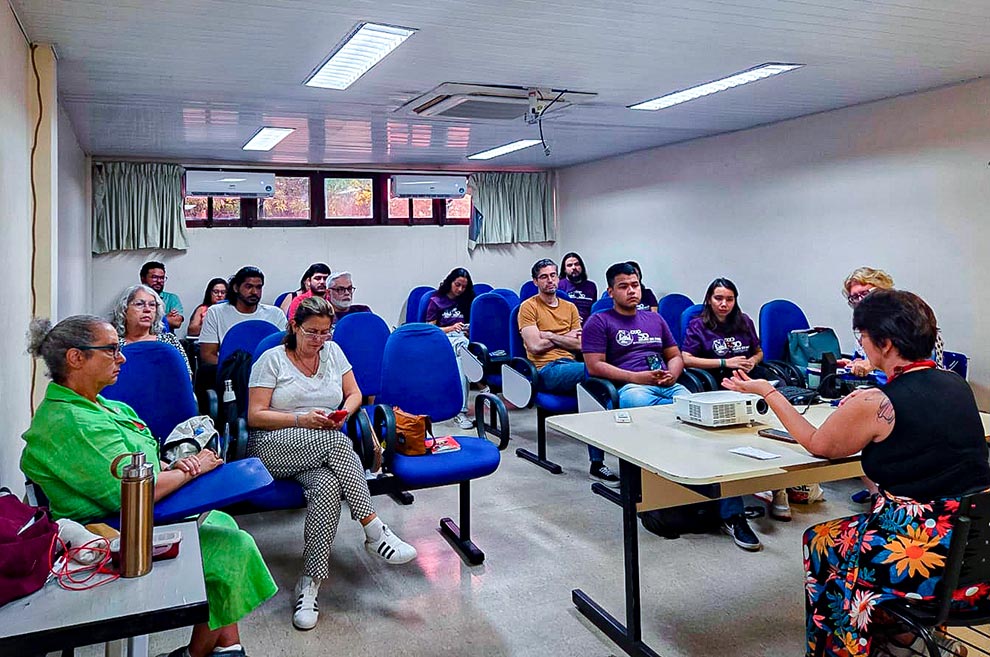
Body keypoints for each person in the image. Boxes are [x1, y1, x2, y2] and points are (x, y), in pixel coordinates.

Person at [723, 289, 990, 657]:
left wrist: (769, 391)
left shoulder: (876, 402)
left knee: (821, 539)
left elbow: (817, 443)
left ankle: (845, 645)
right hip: (975, 551)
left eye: (863, 338)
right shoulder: (956, 385)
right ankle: (900, 637)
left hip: (922, 560)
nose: (861, 347)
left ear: (885, 342)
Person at [21, 316, 277, 657]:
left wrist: (175, 466)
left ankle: (223, 648)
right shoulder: (72, 423)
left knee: (222, 521)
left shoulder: (103, 405)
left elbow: (146, 462)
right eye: (112, 350)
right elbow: (131, 490)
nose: (122, 358)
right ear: (75, 358)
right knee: (235, 546)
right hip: (110, 531)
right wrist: (193, 468)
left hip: (144, 509)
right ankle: (213, 651)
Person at [247, 297, 415, 631]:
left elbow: (354, 394)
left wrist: (342, 414)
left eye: (326, 332)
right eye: (312, 332)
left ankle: (309, 584)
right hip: (272, 445)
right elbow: (255, 415)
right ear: (294, 326)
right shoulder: (272, 360)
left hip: (320, 446)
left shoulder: (333, 352)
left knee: (326, 487)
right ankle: (373, 528)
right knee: (338, 443)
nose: (320, 339)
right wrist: (301, 418)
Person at [583, 264, 764, 552]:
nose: (631, 290)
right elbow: (594, 365)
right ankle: (664, 498)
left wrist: (673, 373)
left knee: (706, 436)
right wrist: (636, 377)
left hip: (670, 385)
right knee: (661, 433)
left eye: (635, 284)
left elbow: (675, 355)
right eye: (623, 286)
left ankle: (733, 514)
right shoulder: (599, 321)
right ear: (610, 291)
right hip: (633, 388)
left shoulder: (655, 321)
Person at [680, 277, 790, 523]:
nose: (724, 304)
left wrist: (754, 361)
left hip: (749, 376)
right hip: (718, 379)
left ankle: (779, 485)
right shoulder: (698, 324)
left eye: (729, 299)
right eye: (719, 298)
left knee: (781, 399)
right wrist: (724, 362)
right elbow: (686, 358)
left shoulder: (744, 321)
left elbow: (758, 351)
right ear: (709, 299)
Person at [519, 258, 618, 487]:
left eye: (553, 275)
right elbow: (534, 346)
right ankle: (596, 462)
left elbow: (582, 346)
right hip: (546, 370)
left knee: (602, 382)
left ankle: (609, 440)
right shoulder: (528, 307)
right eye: (544, 276)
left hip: (571, 366)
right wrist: (566, 338)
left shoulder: (570, 307)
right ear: (535, 281)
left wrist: (551, 336)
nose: (550, 280)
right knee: (597, 374)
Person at [840, 266, 945, 376]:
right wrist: (852, 365)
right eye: (855, 297)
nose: (860, 301)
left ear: (883, 290)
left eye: (865, 293)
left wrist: (872, 365)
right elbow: (861, 359)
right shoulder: (865, 327)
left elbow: (921, 366)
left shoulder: (908, 317)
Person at [199, 266, 288, 366]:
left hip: (268, 372)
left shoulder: (275, 314)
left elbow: (287, 351)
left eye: (258, 287)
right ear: (236, 288)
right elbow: (207, 355)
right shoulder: (216, 312)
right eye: (249, 287)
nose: (254, 292)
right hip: (230, 374)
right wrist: (238, 370)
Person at [426, 267, 475, 430]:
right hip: (443, 339)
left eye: (463, 286)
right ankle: (481, 383)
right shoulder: (436, 300)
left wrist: (466, 329)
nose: (460, 289)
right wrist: (451, 328)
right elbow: (430, 329)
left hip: (461, 339)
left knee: (462, 357)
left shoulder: (466, 301)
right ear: (450, 282)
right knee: (463, 351)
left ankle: (460, 411)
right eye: (457, 285)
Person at [111, 284, 192, 378]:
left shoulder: (169, 340)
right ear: (124, 309)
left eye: (152, 305)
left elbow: (186, 377)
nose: (147, 309)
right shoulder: (114, 344)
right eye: (139, 304)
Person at [140, 261, 184, 331]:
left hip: (166, 339)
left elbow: (176, 322)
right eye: (154, 277)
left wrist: (147, 319)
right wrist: (165, 319)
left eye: (162, 278)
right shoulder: (134, 298)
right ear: (143, 279)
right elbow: (132, 322)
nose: (159, 281)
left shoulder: (171, 298)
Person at [558, 252, 597, 324]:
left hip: (588, 326)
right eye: (569, 265)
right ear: (564, 269)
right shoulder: (558, 285)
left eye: (576, 264)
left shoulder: (591, 286)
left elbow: (594, 310)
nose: (574, 267)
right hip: (565, 324)